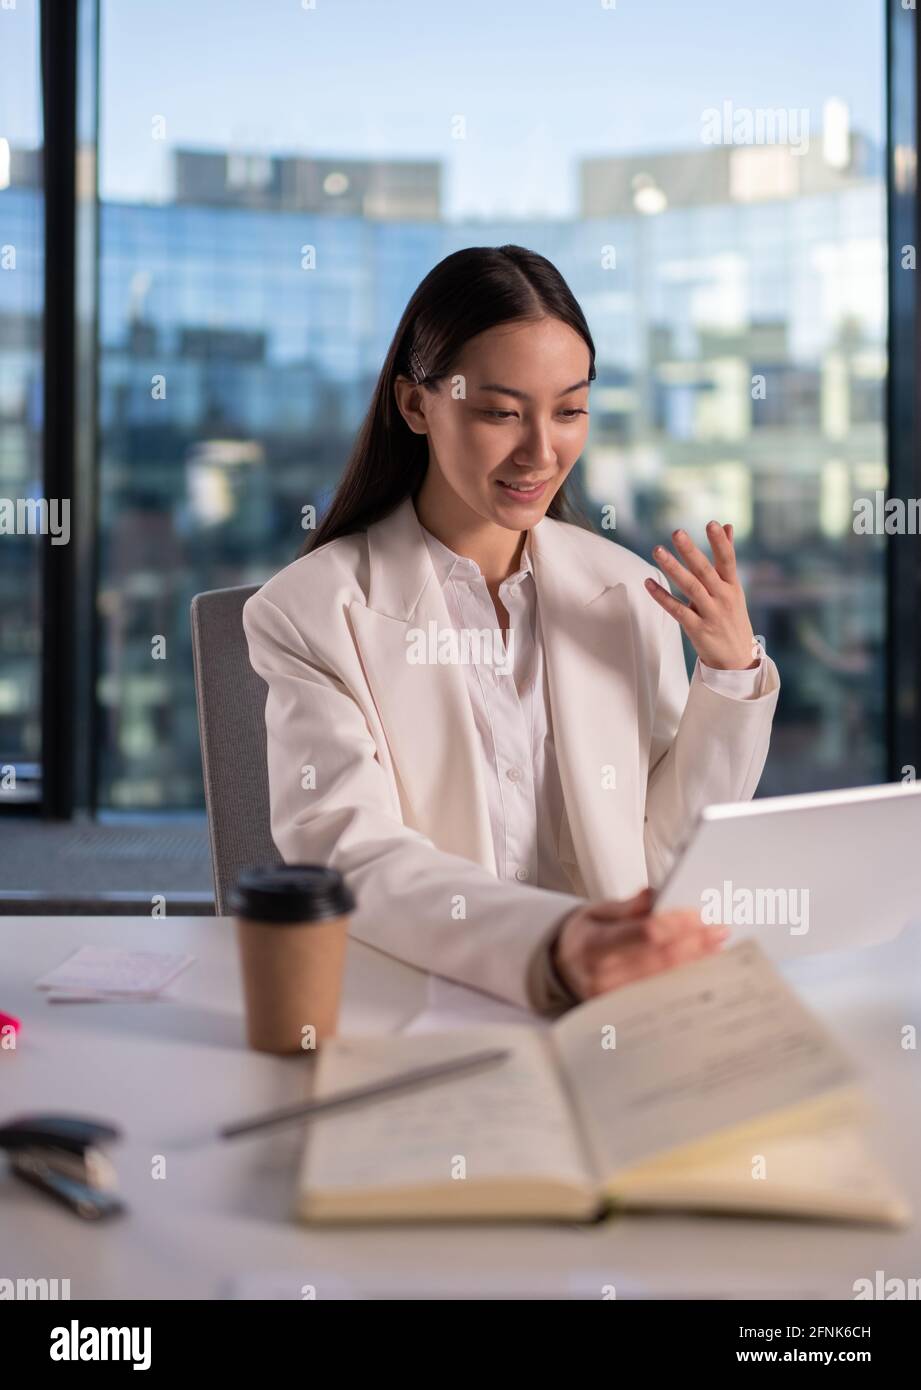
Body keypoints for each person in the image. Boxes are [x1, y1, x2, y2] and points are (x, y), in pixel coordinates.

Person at [242, 244, 780, 1014]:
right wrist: (555, 943)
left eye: (568, 410)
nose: (540, 451)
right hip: (427, 1003)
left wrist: (727, 675)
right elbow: (351, 853)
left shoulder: (627, 591)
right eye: (499, 412)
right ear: (415, 404)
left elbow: (661, 851)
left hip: (619, 1002)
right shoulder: (310, 612)